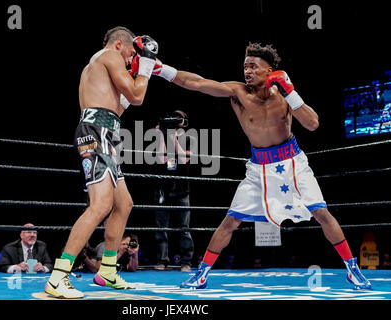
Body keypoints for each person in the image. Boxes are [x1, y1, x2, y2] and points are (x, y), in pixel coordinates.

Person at [145, 42, 371, 290]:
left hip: (292, 164)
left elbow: (313, 123)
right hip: (258, 169)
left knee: (322, 213)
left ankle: (352, 269)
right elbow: (198, 83)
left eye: (253, 66)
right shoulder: (238, 93)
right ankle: (201, 274)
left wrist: (290, 92)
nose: (247, 71)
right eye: (245, 66)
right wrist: (160, 69)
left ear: (269, 70)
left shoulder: (284, 96)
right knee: (230, 221)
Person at [44, 26, 159, 298]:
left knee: (124, 203)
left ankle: (107, 271)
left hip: (106, 133)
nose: (133, 57)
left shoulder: (101, 66)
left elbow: (120, 107)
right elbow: (137, 96)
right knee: (101, 205)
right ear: (120, 44)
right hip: (95, 134)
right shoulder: (108, 55)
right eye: (132, 52)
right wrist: (144, 67)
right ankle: (58, 276)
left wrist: (138, 73)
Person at [153, 110, 194, 273]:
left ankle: (186, 262)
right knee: (161, 227)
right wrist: (163, 136)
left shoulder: (190, 138)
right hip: (163, 188)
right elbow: (161, 159)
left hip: (182, 189)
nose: (176, 121)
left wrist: (174, 138)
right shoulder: (161, 135)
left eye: (179, 119)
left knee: (184, 227)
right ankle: (162, 261)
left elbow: (184, 159)